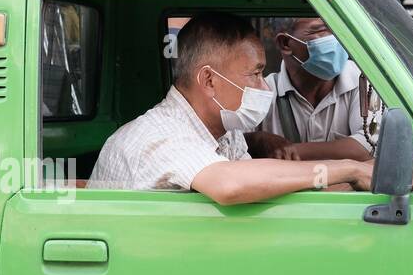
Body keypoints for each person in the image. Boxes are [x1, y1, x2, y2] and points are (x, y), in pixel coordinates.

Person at [89, 12, 371, 203]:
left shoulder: (226, 132)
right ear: (209, 80)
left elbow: (265, 187)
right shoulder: (159, 136)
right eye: (255, 74)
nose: (264, 88)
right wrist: (348, 169)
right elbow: (229, 185)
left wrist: (361, 177)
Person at [247, 16, 373, 162]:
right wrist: (255, 140)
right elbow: (232, 147)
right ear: (285, 43)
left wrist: (287, 152)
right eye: (322, 30)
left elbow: (368, 146)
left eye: (337, 28)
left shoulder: (363, 81)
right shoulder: (262, 92)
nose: (336, 38)